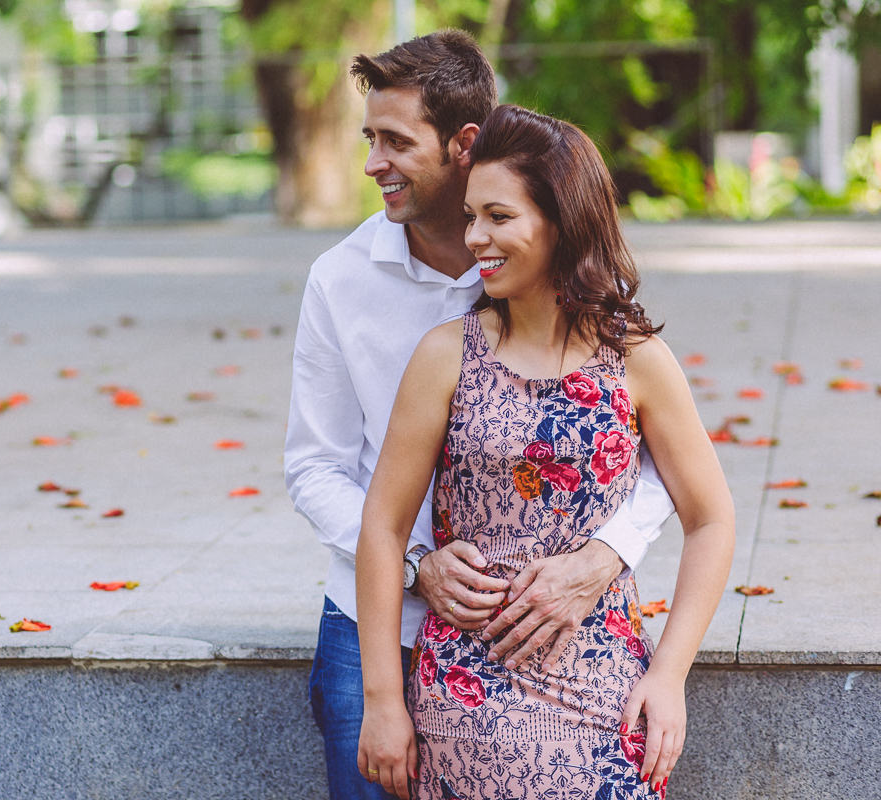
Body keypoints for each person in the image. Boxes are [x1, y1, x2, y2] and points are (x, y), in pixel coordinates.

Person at [284, 32, 675, 800]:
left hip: (544, 635)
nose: (372, 163)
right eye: (370, 139)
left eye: (395, 141)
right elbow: (313, 465)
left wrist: (604, 557)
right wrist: (414, 562)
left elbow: (651, 448)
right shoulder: (338, 282)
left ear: (464, 144)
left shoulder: (548, 272)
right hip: (381, 629)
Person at [354, 104, 736, 800]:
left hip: (606, 702)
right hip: (463, 708)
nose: (475, 237)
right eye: (472, 216)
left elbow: (711, 519)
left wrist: (669, 676)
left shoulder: (638, 361)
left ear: (562, 220)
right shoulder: (444, 356)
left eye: (498, 217)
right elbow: (381, 528)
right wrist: (384, 699)